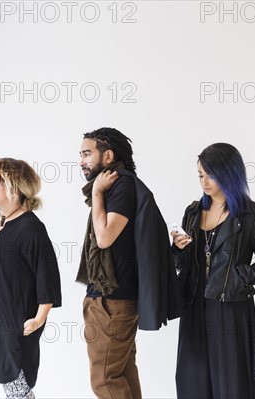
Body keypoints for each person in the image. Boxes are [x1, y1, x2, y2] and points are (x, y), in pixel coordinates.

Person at [76, 127, 180, 399]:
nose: (81, 161)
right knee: (122, 373)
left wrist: (97, 194)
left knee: (105, 381)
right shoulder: (119, 183)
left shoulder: (119, 184)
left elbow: (105, 237)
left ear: (107, 155)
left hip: (111, 302)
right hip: (113, 299)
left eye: (87, 154)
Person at [172, 142, 255, 399]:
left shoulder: (250, 213)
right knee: (192, 381)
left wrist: (239, 276)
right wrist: (177, 249)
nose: (204, 181)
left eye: (211, 174)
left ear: (229, 173)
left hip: (231, 307)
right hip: (194, 304)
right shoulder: (193, 212)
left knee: (232, 383)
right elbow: (183, 264)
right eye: (200, 174)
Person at [0, 158, 62, 399]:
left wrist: (38, 320)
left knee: (16, 388)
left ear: (14, 188)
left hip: (15, 325)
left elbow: (47, 277)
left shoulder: (31, 228)